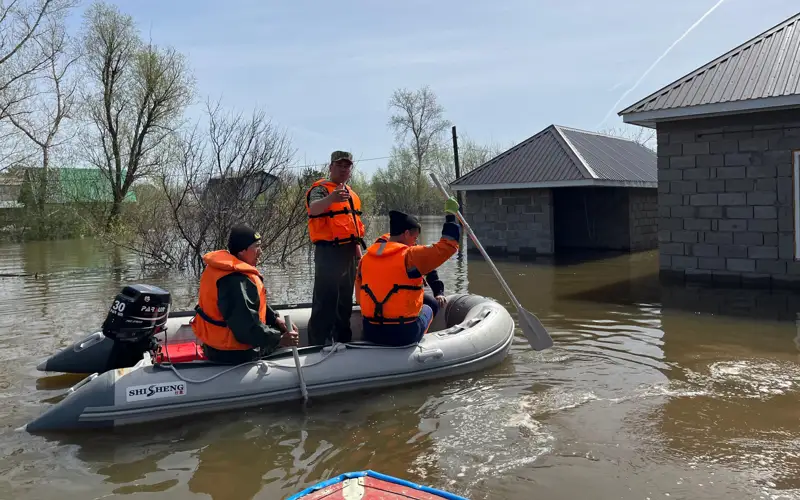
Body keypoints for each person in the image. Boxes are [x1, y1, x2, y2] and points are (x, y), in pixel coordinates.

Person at [356, 199, 461, 347]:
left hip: (370, 331)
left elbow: (360, 294)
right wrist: (451, 217)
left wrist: (438, 290)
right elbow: (448, 246)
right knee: (429, 307)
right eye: (414, 238)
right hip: (403, 334)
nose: (415, 242)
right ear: (406, 234)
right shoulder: (410, 256)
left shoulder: (367, 258)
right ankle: (418, 343)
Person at [191, 224, 299, 364]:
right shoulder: (235, 281)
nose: (260, 251)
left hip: (219, 347)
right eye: (257, 246)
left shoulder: (225, 272)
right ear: (242, 251)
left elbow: (249, 306)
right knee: (285, 348)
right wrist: (278, 339)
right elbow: (245, 328)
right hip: (233, 354)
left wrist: (274, 319)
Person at [305, 150, 366, 346]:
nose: (343, 169)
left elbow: (353, 227)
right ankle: (319, 342)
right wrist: (331, 199)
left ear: (350, 170)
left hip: (348, 253)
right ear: (331, 167)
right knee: (325, 300)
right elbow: (313, 208)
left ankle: (343, 340)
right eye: (339, 165)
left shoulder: (352, 194)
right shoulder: (321, 189)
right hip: (328, 253)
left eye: (346, 166)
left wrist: (359, 254)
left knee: (345, 301)